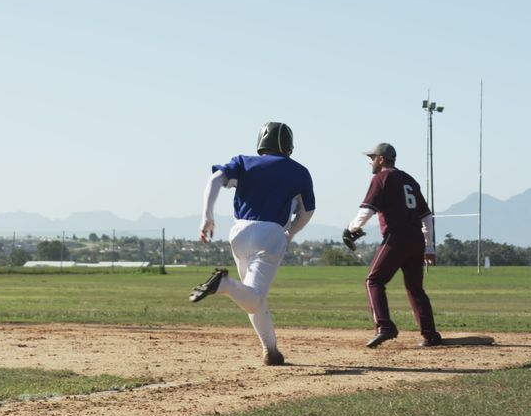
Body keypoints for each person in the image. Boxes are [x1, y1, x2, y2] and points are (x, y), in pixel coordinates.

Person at [189, 122, 316, 366]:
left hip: (239, 232)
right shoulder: (299, 171)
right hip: (271, 233)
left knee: (251, 296)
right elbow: (307, 210)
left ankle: (271, 351)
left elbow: (215, 180)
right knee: (254, 297)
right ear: (288, 145)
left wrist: (207, 216)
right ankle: (224, 285)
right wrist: (290, 232)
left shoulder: (243, 161)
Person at [344, 143, 442, 348]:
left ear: (381, 159)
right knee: (415, 288)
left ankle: (384, 326)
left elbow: (366, 210)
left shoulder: (381, 178)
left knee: (373, 281)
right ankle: (430, 335)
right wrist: (429, 246)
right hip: (416, 238)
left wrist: (351, 229)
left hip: (397, 237)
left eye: (372, 157)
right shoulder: (409, 180)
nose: (370, 161)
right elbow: (426, 216)